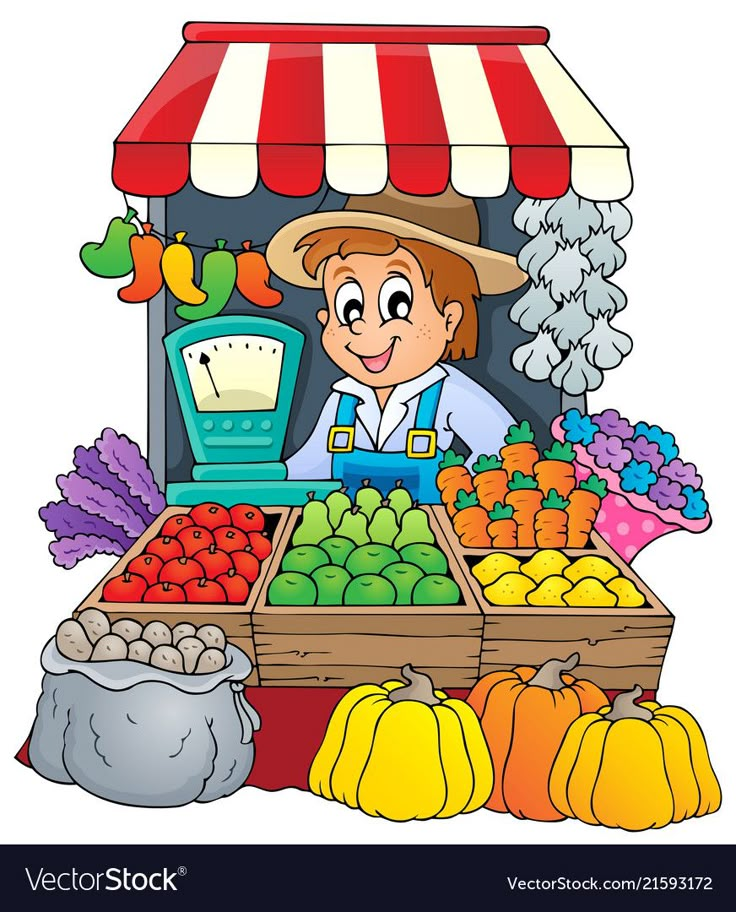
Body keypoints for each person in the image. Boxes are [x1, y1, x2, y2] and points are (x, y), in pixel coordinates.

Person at [265, 184, 528, 503]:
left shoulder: (451, 394)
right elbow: (307, 470)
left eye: (397, 304)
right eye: (349, 307)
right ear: (325, 318)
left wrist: (461, 496)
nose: (363, 325)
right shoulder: (343, 401)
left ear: (449, 319)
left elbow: (508, 457)